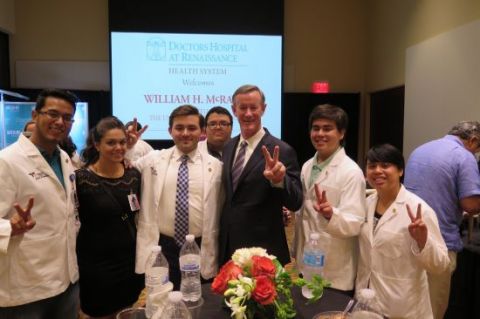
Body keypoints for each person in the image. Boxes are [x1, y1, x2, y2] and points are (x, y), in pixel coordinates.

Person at [0, 89, 80, 318]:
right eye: (52, 114)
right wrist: (10, 228)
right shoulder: (7, 161)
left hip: (66, 282)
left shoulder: (63, 158)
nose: (60, 122)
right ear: (35, 115)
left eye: (67, 118)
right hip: (26, 288)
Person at [134, 105, 223, 289]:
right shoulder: (153, 160)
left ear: (202, 131)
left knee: (200, 301)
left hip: (201, 246)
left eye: (191, 128)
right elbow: (123, 169)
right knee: (163, 300)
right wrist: (127, 148)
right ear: (170, 130)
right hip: (164, 247)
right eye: (179, 128)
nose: (185, 133)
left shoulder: (216, 167)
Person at [356, 144, 449, 318]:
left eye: (385, 165)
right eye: (372, 166)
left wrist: (423, 241)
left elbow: (441, 265)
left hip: (402, 306)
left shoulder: (419, 210)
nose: (377, 171)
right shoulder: (367, 203)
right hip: (366, 301)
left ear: (400, 171)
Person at [218, 84, 303, 267]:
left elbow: (296, 201)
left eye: (254, 107)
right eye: (242, 108)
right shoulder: (228, 147)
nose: (248, 113)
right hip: (229, 246)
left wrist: (280, 181)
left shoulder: (282, 150)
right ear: (234, 110)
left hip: (264, 249)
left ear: (263, 109)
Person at [404, 121, 480, 319]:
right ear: (473, 140)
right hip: (439, 243)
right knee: (432, 309)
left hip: (408, 235)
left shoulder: (420, 149)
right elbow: (471, 206)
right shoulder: (465, 156)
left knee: (408, 305)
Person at [293, 104, 366, 294]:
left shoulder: (351, 172)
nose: (320, 134)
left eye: (327, 128)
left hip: (334, 270)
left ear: (341, 133)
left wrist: (330, 213)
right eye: (315, 128)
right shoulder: (308, 166)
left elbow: (355, 222)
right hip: (306, 260)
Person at [76, 116, 144, 318]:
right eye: (111, 142)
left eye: (122, 142)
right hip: (96, 265)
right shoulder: (81, 179)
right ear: (97, 145)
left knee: (127, 310)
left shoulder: (134, 175)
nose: (118, 147)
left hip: (129, 260)